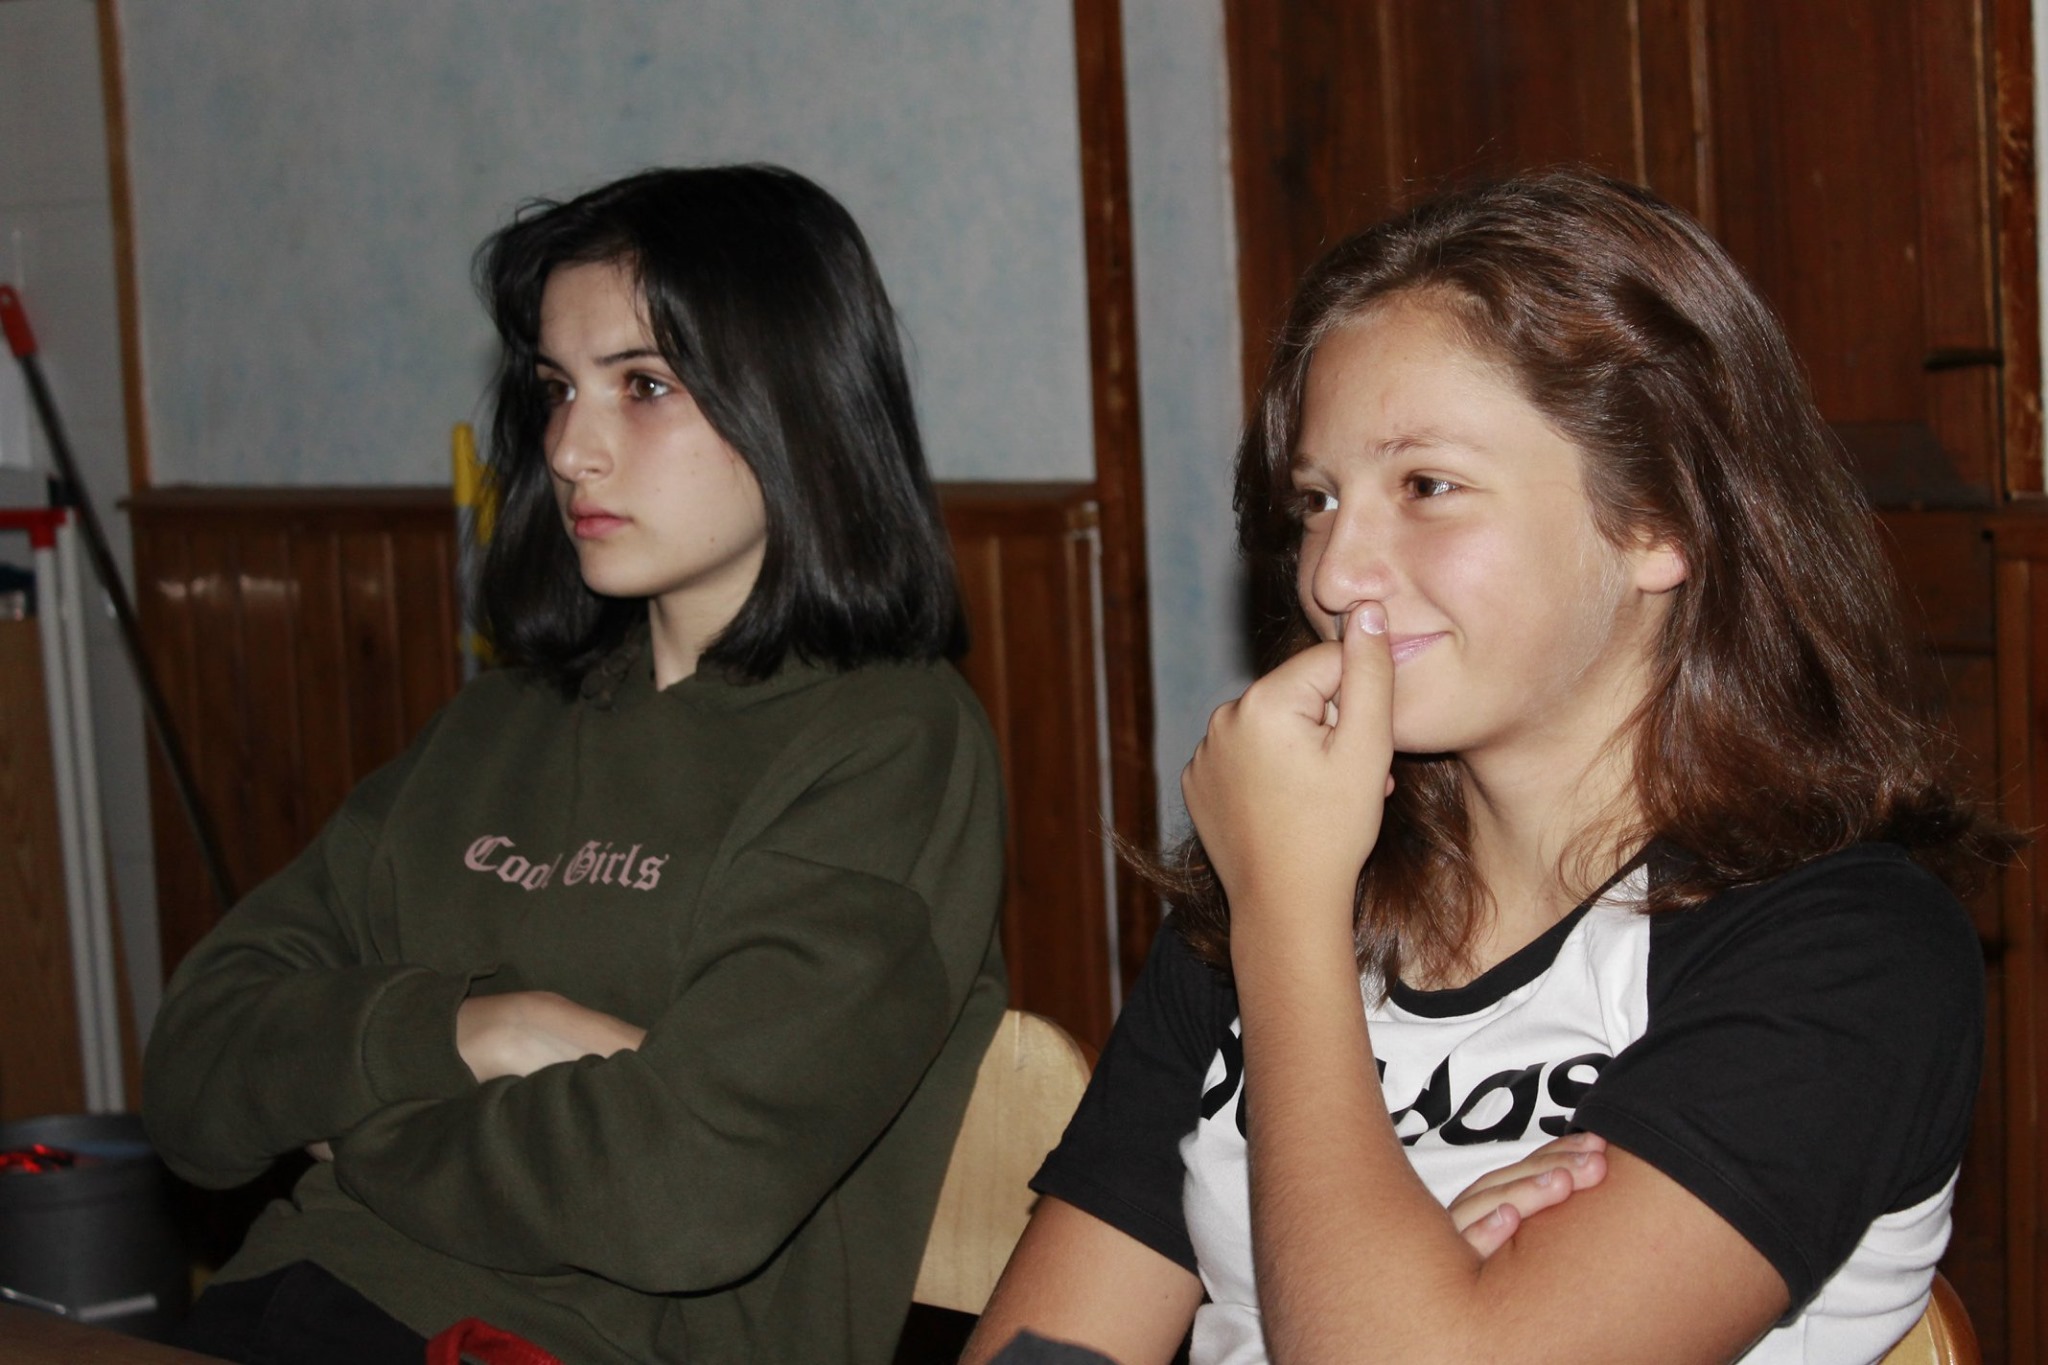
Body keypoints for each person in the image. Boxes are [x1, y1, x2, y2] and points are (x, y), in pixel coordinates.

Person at [964, 169, 2006, 1365]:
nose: (1332, 574)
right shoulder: (1284, 868)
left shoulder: (1848, 952)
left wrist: (1286, 918)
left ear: (1658, 520)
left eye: (1427, 486)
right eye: (1316, 500)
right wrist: (1418, 1288)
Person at [143, 164, 1008, 1365]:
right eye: (555, 389)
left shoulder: (889, 744)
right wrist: (480, 1030)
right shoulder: (496, 723)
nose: (568, 448)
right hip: (279, 1301)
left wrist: (351, 1124)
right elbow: (193, 1068)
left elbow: (684, 1188)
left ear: (796, 404)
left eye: (642, 385)